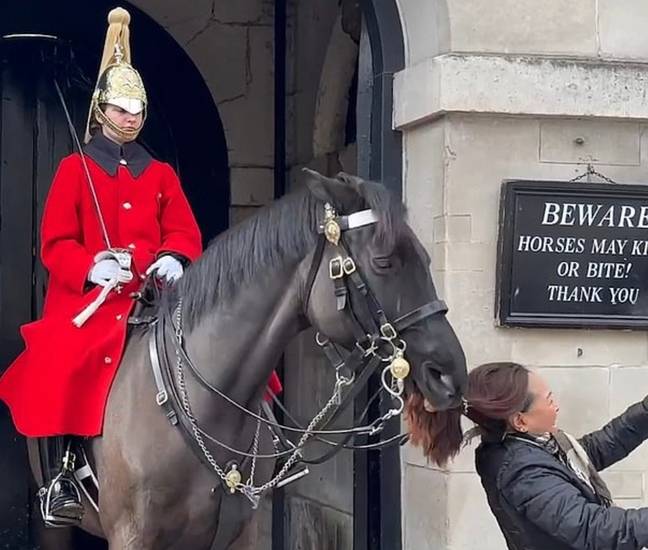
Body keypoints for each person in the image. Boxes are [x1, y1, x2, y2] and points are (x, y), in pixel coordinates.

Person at [0, 8, 203, 526]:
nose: (131, 117)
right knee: (65, 359)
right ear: (102, 110)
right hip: (92, 302)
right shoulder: (74, 170)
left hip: (154, 297)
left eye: (137, 109)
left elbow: (183, 229)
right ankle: (66, 471)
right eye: (121, 107)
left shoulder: (158, 173)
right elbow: (55, 244)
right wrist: (93, 266)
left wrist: (174, 258)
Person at [464, 362, 648, 550]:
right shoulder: (523, 472)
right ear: (520, 421)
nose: (557, 406)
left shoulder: (533, 445)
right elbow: (591, 528)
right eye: (549, 400)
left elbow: (593, 451)